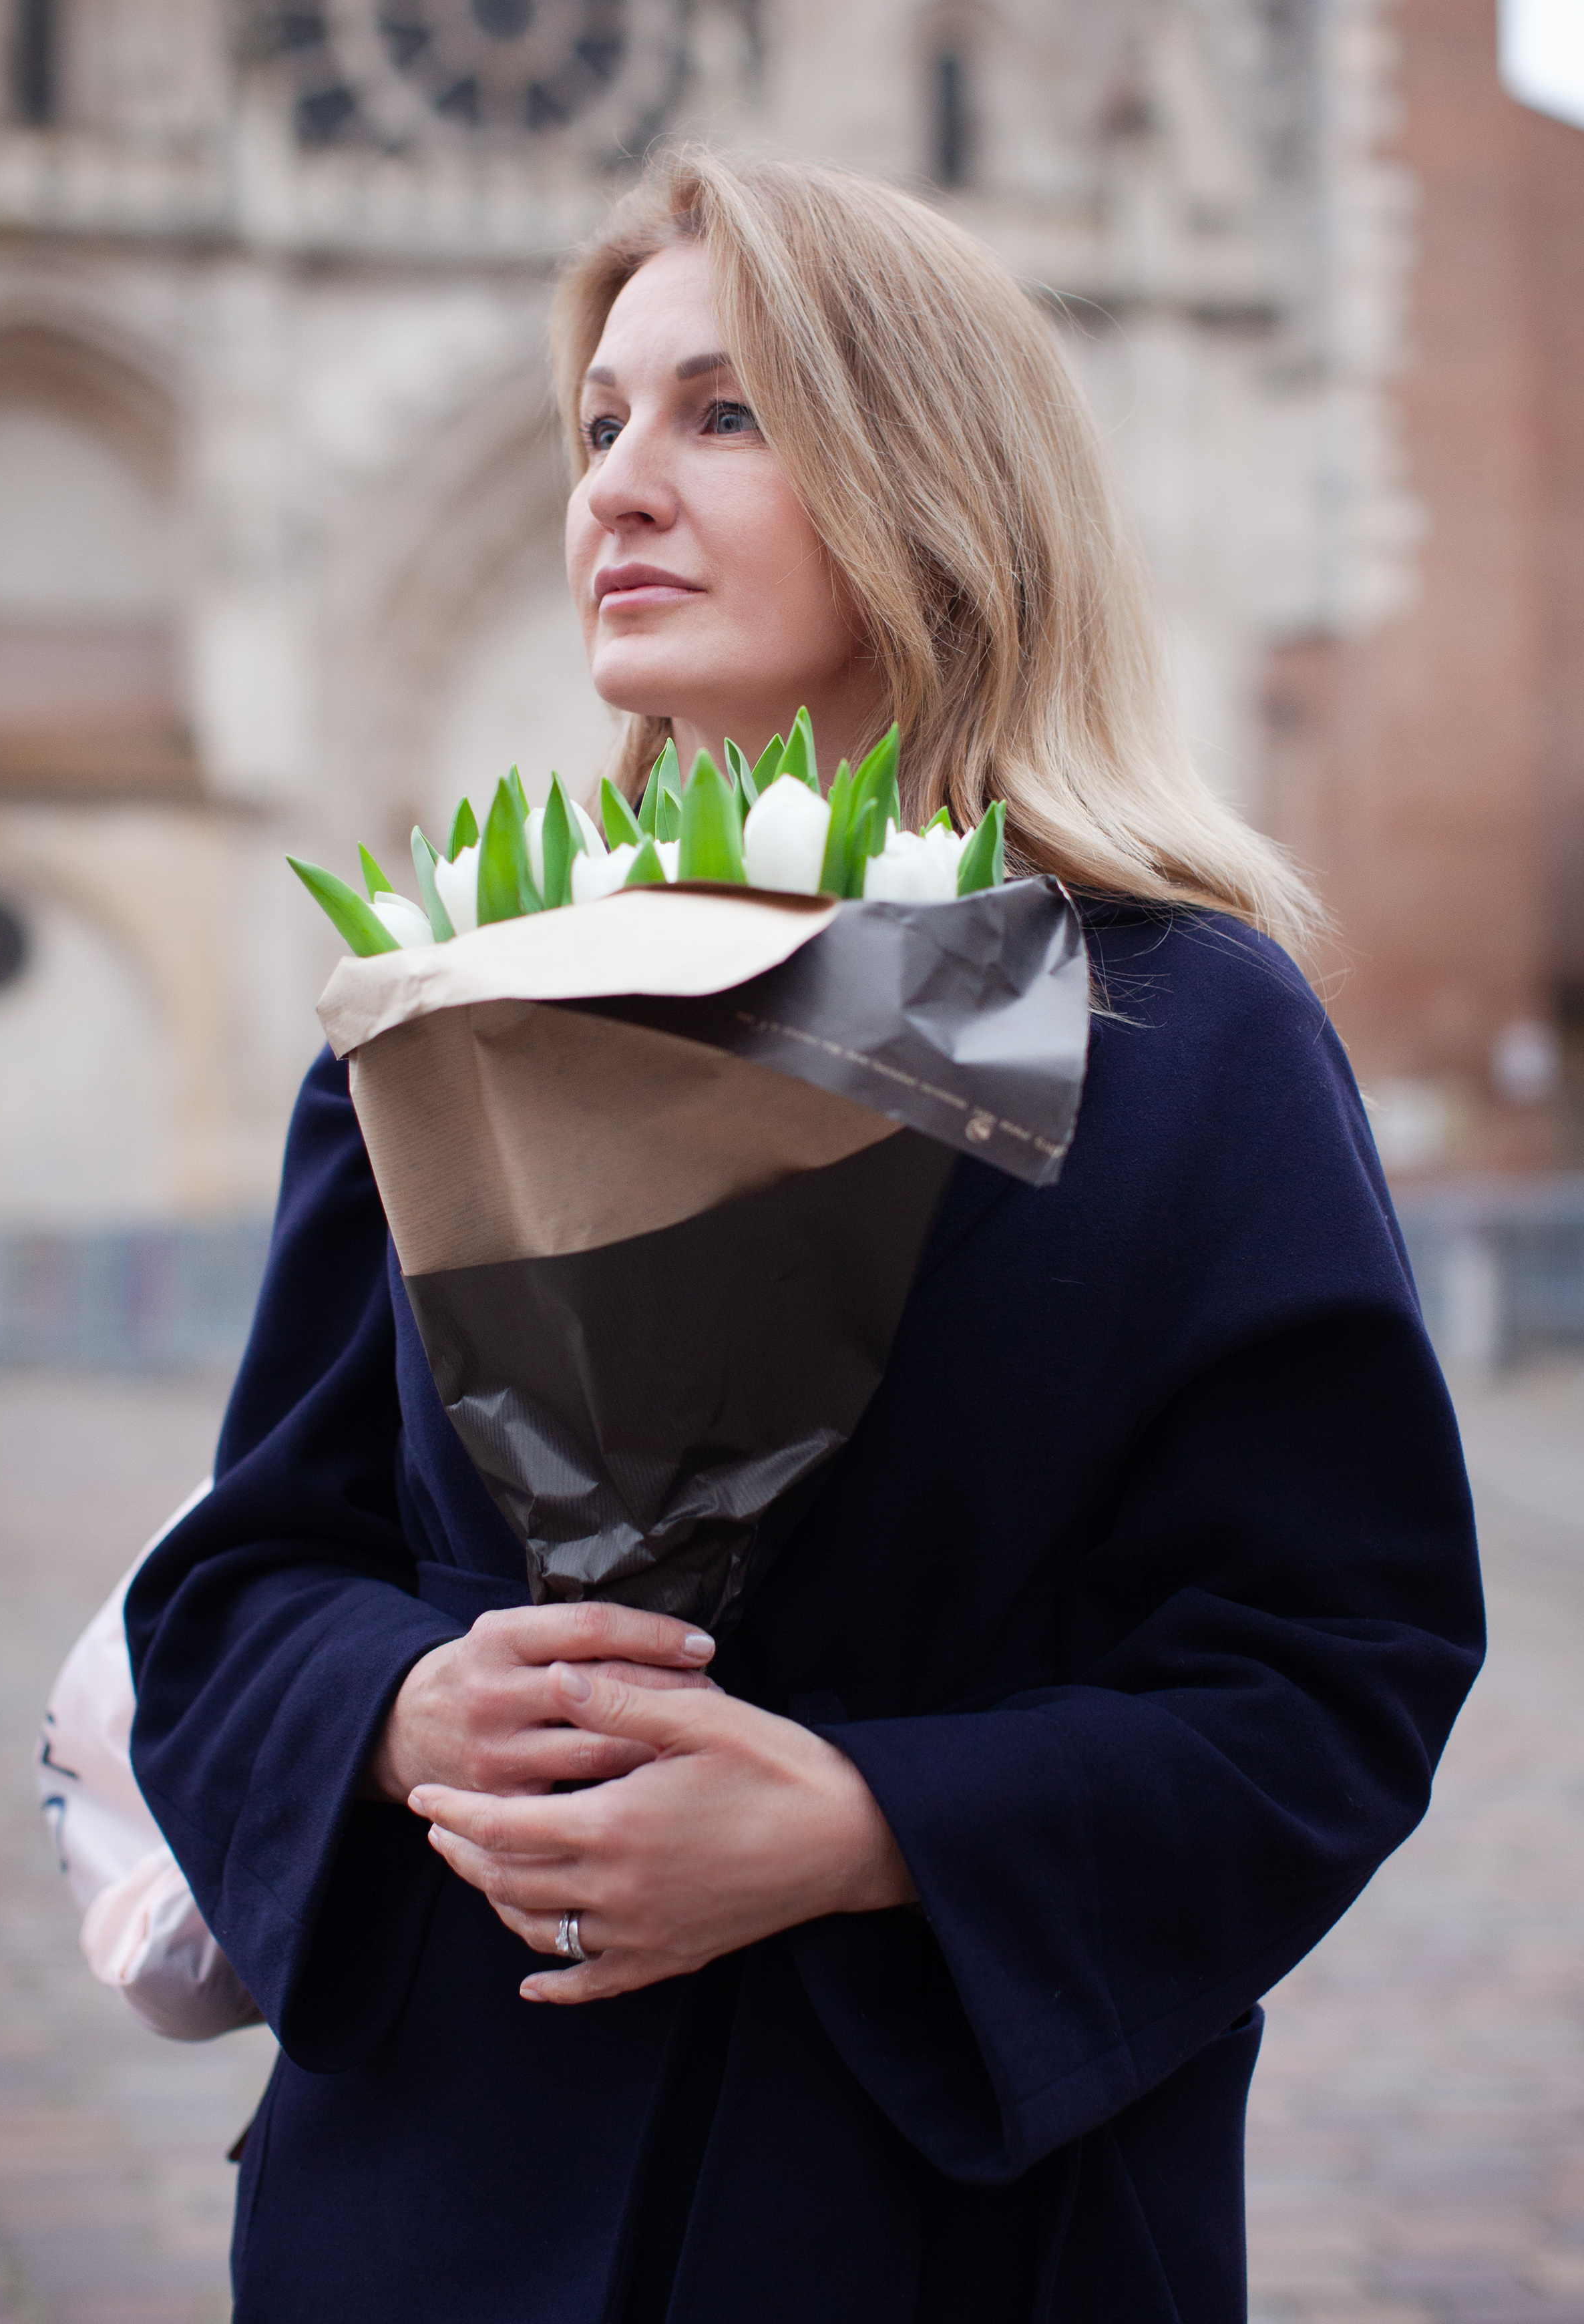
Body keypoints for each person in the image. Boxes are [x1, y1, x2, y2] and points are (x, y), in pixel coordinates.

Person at [128, 150, 1483, 2324]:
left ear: (936, 486)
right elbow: (241, 1587)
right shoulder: (456, 1007)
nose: (617, 485)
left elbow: (1336, 1669)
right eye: (599, 423)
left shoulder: (1187, 1032)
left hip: (938, 2218)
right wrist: (404, 1708)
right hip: (440, 2196)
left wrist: (869, 1825)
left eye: (723, 413)